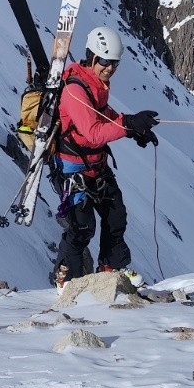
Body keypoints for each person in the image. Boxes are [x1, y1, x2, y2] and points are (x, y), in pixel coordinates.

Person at [50, 26, 157, 285]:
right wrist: (129, 125)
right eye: (106, 62)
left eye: (114, 64)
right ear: (92, 57)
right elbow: (94, 132)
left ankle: (111, 270)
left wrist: (133, 128)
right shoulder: (75, 90)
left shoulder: (96, 85)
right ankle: (66, 280)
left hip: (96, 166)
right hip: (73, 171)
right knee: (81, 228)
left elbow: (103, 114)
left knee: (115, 216)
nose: (110, 68)